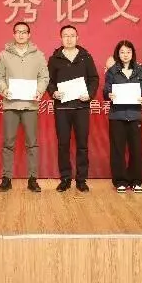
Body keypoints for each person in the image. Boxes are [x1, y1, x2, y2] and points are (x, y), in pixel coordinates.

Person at [0, 21, 50, 193]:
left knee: (32, 143)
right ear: (13, 34)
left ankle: (33, 179)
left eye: (24, 32)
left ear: (29, 35)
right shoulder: (3, 55)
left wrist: (39, 91)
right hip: (10, 104)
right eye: (18, 32)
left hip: (30, 105)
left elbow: (44, 77)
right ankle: (6, 178)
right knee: (8, 143)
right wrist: (3, 89)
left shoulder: (38, 55)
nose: (21, 35)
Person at [46, 25, 100, 193]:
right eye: (65, 35)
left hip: (81, 107)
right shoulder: (55, 58)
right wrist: (53, 92)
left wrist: (89, 94)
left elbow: (94, 78)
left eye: (72, 35)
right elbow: (49, 80)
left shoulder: (86, 57)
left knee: (82, 144)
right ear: (61, 38)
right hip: (62, 108)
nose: (69, 38)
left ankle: (81, 180)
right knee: (63, 144)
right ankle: (65, 178)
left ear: (77, 38)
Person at [103, 40, 142, 193]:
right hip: (117, 115)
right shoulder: (112, 71)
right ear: (118, 54)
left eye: (128, 52)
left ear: (133, 53)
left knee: (136, 150)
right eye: (122, 52)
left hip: (135, 115)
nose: (125, 55)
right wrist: (109, 94)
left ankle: (136, 181)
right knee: (118, 150)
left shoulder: (139, 70)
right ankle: (120, 181)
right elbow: (106, 91)